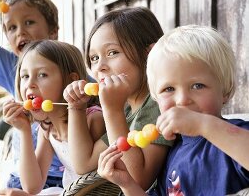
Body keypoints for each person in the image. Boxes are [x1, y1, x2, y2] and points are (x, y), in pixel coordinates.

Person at [97, 25, 249, 195]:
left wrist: (203, 125)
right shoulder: (173, 153)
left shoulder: (236, 136)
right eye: (169, 89)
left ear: (225, 91)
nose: (182, 100)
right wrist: (127, 184)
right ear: (156, 98)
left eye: (198, 86)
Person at [63, 7, 173, 191]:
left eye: (112, 52)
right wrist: (76, 108)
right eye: (94, 58)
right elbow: (83, 163)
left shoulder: (158, 104)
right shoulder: (127, 109)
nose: (100, 67)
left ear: (149, 54)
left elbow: (137, 180)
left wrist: (112, 110)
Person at [0, 0, 63, 190]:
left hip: (63, 178)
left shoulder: (68, 69)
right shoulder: (14, 67)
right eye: (12, 27)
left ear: (52, 31)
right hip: (24, 176)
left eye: (29, 22)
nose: (21, 32)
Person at [0, 40, 105, 195]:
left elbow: (95, 181)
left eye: (42, 74)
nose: (30, 84)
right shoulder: (48, 128)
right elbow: (32, 186)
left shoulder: (93, 119)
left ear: (71, 81)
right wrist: (24, 130)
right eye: (25, 76)